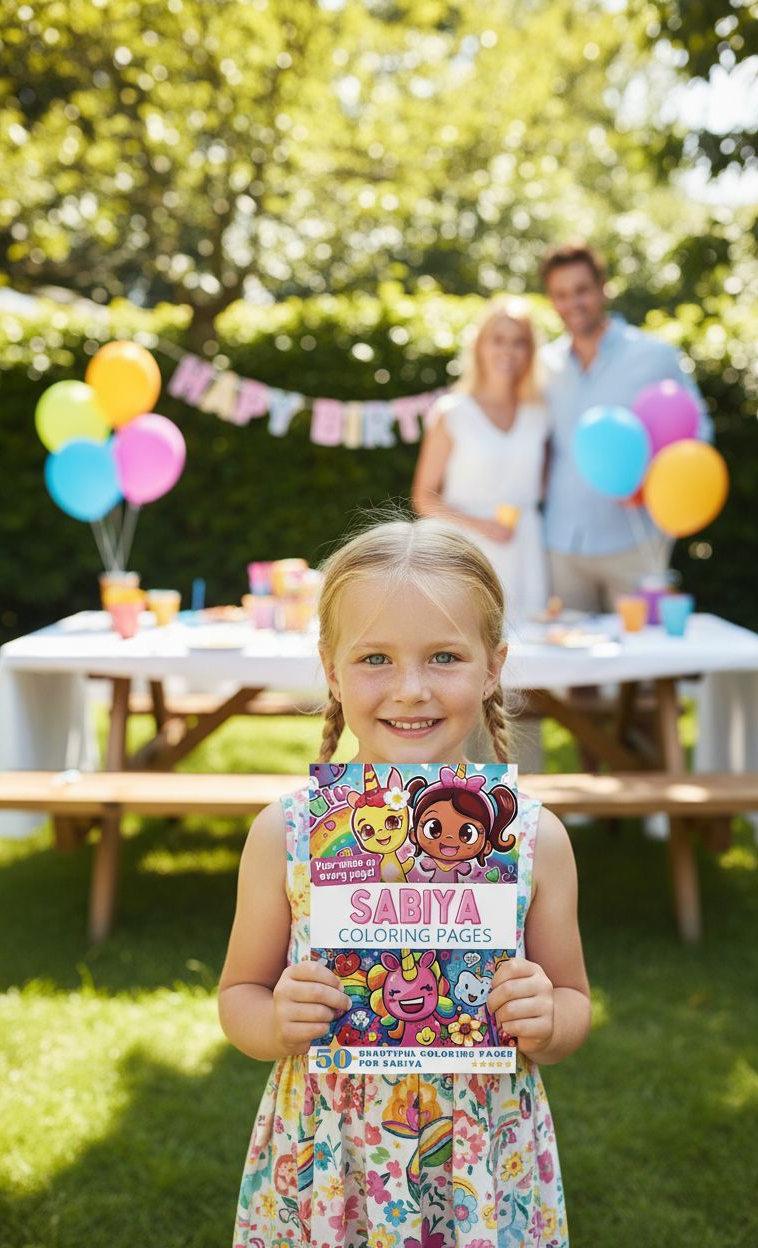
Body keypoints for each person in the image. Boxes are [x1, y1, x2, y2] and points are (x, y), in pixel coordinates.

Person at [219, 517, 591, 1248]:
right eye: (376, 658)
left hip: (484, 1158)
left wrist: (546, 1019)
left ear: (493, 666)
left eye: (444, 656)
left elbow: (574, 999)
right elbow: (239, 995)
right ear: (331, 668)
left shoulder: (534, 839)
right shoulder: (286, 834)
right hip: (328, 1156)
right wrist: (274, 1020)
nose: (411, 689)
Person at [540, 240, 710, 612]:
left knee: (646, 663)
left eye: (582, 290)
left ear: (603, 288)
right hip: (561, 542)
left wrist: (649, 483)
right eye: (561, 294)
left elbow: (698, 434)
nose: (573, 303)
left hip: (635, 542)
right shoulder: (543, 365)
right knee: (571, 665)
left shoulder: (654, 356)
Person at [411, 296, 550, 622]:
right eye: (498, 340)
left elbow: (541, 486)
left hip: (524, 549)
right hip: (464, 553)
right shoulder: (452, 412)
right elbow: (423, 498)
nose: (507, 351)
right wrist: (483, 526)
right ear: (479, 345)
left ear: (530, 351)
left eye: (518, 342)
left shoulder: (539, 414)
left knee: (528, 651)